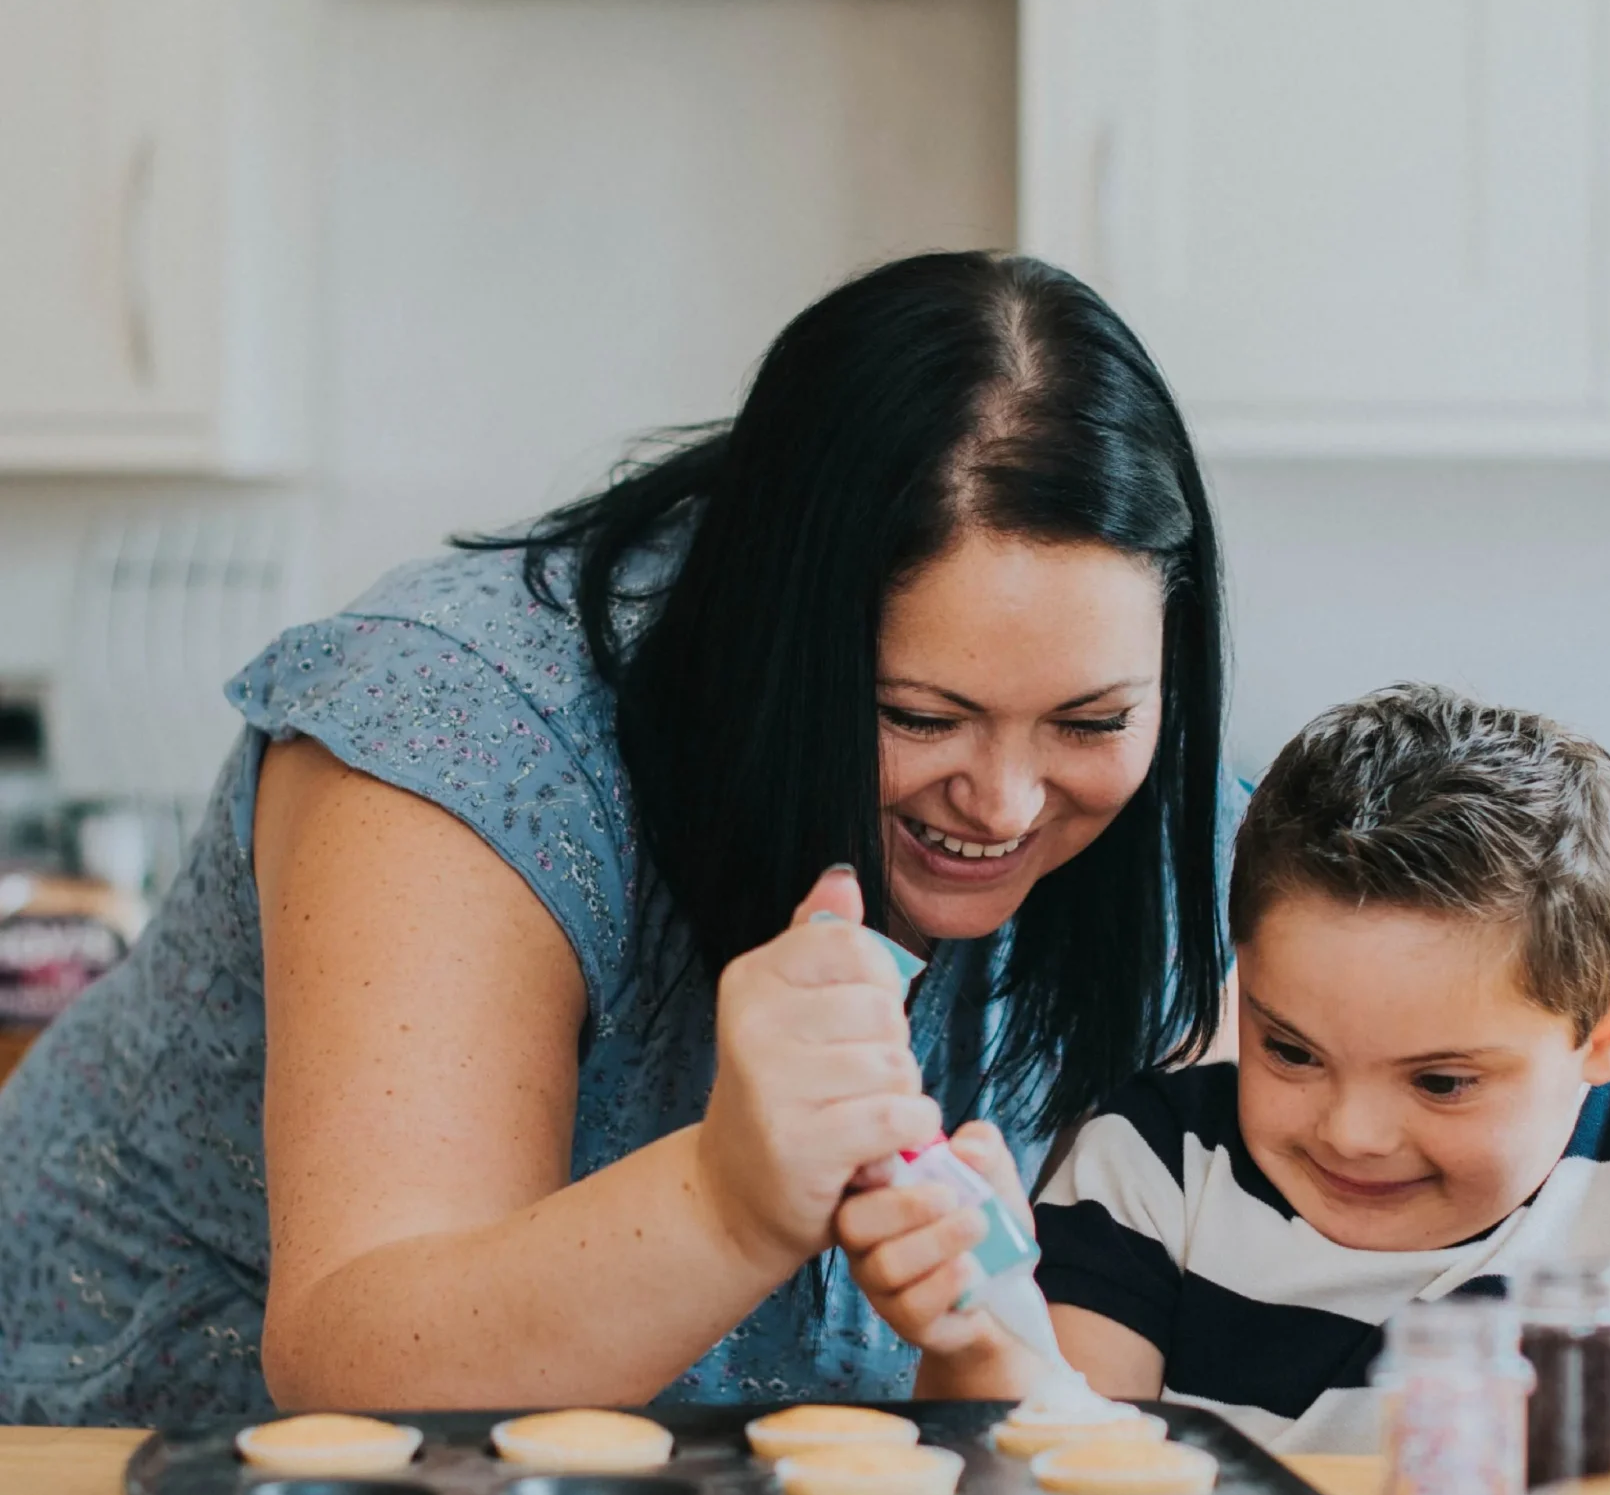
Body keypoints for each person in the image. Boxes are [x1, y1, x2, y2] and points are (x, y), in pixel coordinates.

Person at [0, 251, 1235, 1427]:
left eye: (1091, 719)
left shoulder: (1174, 830)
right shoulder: (462, 728)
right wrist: (730, 1200)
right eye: (919, 716)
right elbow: (357, 1359)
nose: (1007, 802)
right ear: (772, 641)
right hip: (118, 1487)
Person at [843, 684, 1610, 1476]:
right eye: (1289, 1050)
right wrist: (976, 1338)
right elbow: (1048, 1454)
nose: (1353, 1131)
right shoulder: (1152, 1168)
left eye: (1439, 1081)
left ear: (1605, 1034)